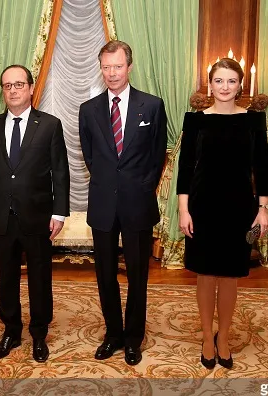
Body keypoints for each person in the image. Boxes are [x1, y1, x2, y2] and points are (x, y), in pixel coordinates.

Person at [177, 58, 268, 370]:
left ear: (240, 85)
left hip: (240, 209)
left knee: (230, 276)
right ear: (210, 84)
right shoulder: (195, 121)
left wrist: (263, 211)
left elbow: (262, 168)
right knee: (205, 274)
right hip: (202, 208)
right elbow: (185, 169)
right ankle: (207, 336)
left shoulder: (253, 120)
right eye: (219, 81)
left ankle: (224, 337)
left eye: (231, 81)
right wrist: (183, 210)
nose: (225, 87)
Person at [78, 40, 167, 366]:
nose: (112, 72)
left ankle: (133, 338)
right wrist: (109, 182)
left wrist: (142, 186)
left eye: (117, 66)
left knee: (138, 274)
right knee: (104, 274)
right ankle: (113, 334)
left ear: (129, 67)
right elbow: (91, 156)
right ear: (101, 69)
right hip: (102, 203)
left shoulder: (152, 106)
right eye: (106, 67)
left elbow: (158, 155)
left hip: (137, 203)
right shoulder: (88, 110)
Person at [0, 64, 70, 363]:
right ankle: (11, 331)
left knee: (40, 277)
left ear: (31, 88)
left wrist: (60, 213)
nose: (13, 90)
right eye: (7, 86)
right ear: (2, 91)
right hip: (1, 216)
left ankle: (39, 334)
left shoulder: (50, 125)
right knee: (6, 277)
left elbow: (60, 172)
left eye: (19, 84)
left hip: (38, 216)